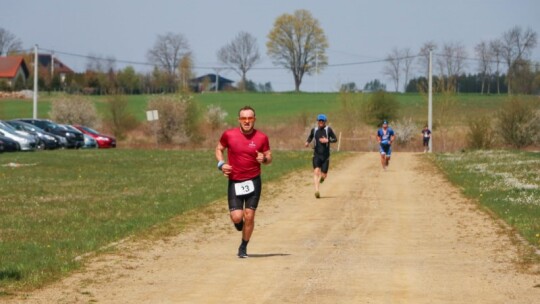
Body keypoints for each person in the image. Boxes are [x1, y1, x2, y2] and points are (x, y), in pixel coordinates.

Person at [215, 106, 272, 258]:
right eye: (243, 118)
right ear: (239, 120)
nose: (247, 121)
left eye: (250, 118)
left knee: (250, 215)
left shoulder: (262, 137)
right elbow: (219, 149)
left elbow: (269, 157)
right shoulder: (229, 135)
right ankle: (239, 223)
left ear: (254, 120)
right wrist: (221, 164)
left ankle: (243, 247)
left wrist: (264, 159)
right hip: (235, 181)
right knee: (237, 217)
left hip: (254, 180)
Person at [304, 114, 337, 199]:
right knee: (316, 172)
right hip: (316, 155)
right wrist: (307, 142)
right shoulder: (314, 130)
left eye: (322, 121)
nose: (321, 122)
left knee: (324, 175)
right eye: (319, 121)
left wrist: (327, 140)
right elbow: (310, 137)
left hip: (326, 156)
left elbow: (335, 139)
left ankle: (322, 178)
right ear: (317, 121)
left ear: (325, 121)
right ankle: (317, 191)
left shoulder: (328, 130)